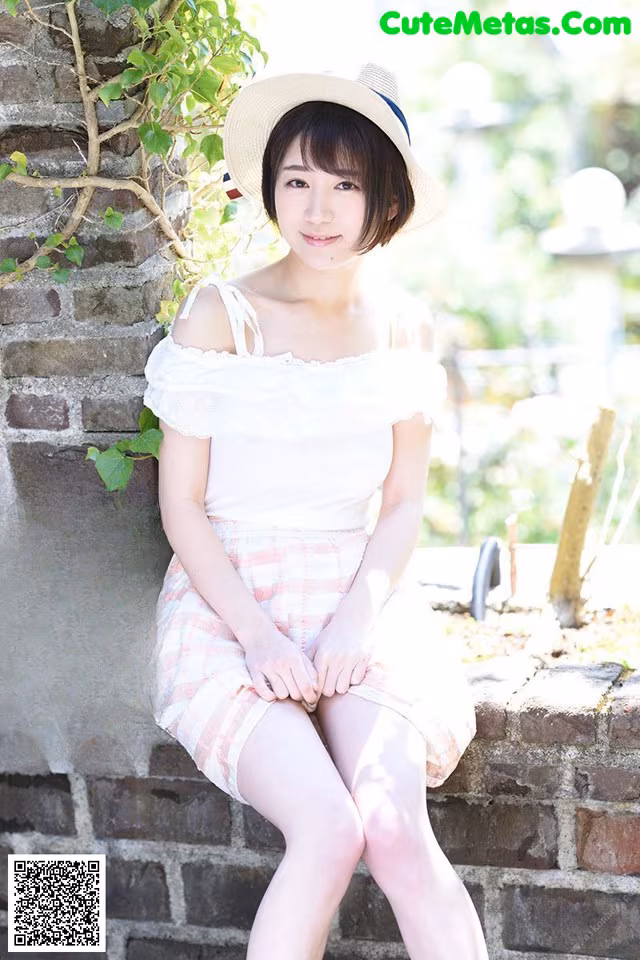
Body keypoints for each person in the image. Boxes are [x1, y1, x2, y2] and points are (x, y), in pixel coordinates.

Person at [143, 62, 486, 960]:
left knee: (396, 830)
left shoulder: (406, 327)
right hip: (230, 606)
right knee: (330, 831)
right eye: (298, 180)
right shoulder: (221, 316)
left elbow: (404, 501)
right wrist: (258, 635)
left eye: (347, 185)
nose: (320, 209)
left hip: (355, 596)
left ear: (387, 201)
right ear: (269, 190)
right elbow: (181, 508)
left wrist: (353, 622)